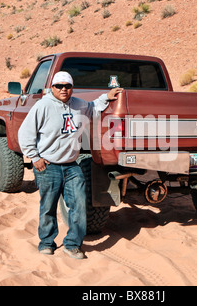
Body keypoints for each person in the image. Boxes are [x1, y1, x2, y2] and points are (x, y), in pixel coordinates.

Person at [18, 71, 123, 259]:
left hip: (72, 165)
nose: (63, 89)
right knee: (48, 205)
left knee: (79, 204)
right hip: (48, 165)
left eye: (67, 86)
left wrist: (107, 97)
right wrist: (35, 157)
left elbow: (93, 107)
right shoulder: (43, 106)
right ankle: (47, 243)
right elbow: (25, 134)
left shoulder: (78, 105)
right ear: (52, 87)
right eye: (59, 86)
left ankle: (72, 244)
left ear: (72, 87)